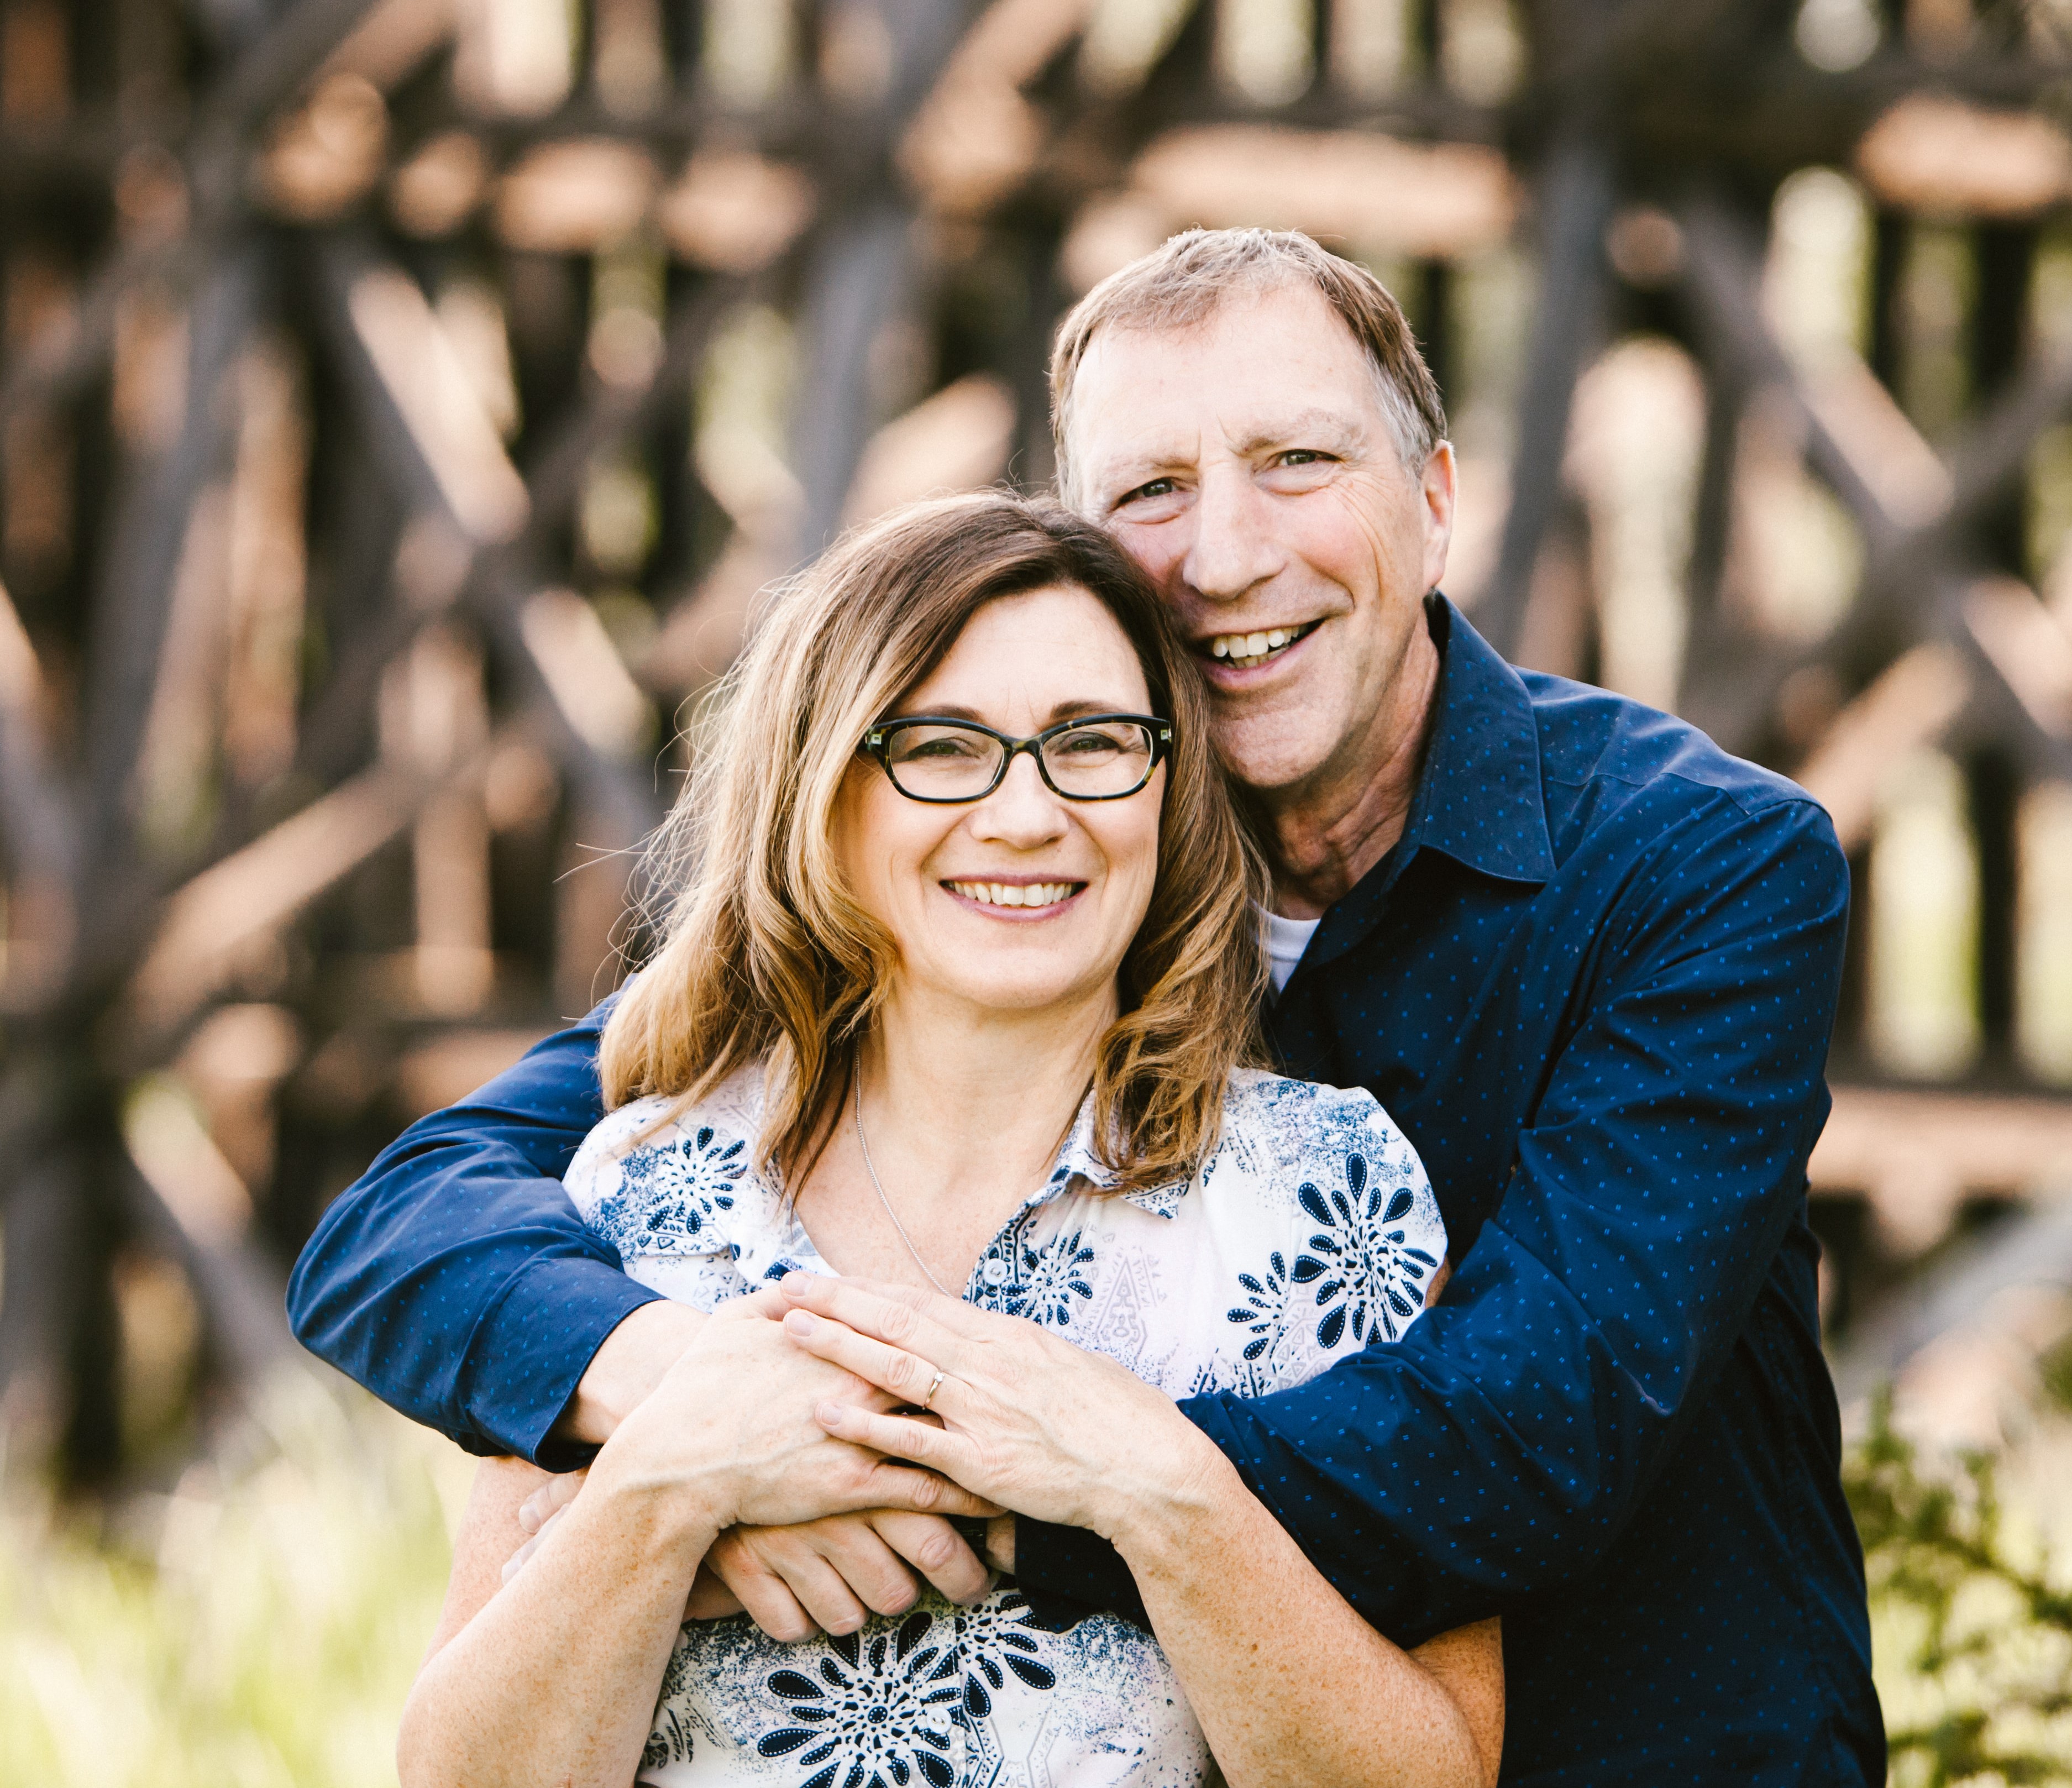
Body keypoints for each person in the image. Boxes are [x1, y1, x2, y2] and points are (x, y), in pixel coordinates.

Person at [291, 227, 1886, 1784]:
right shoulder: (1007, 895)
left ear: (1438, 499)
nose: (1226, 552)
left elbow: (1525, 1435)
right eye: (1151, 491)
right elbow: (414, 1218)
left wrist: (918, 1483)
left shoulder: (1700, 866)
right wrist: (673, 1398)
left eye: (1297, 463)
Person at [392, 495, 1504, 1787]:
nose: (1028, 815)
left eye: (1091, 743)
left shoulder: (1325, 1201)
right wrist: (666, 1486)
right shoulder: (645, 1191)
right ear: (829, 786)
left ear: (1167, 785)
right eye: (943, 745)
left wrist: (1161, 1493)